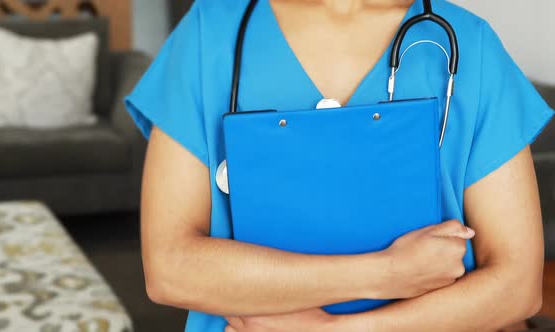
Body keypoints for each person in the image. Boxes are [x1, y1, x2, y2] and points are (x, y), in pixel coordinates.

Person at [125, 0, 554, 331]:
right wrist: (388, 273)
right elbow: (170, 270)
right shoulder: (210, 32)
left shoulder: (468, 44)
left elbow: (517, 288)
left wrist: (339, 329)